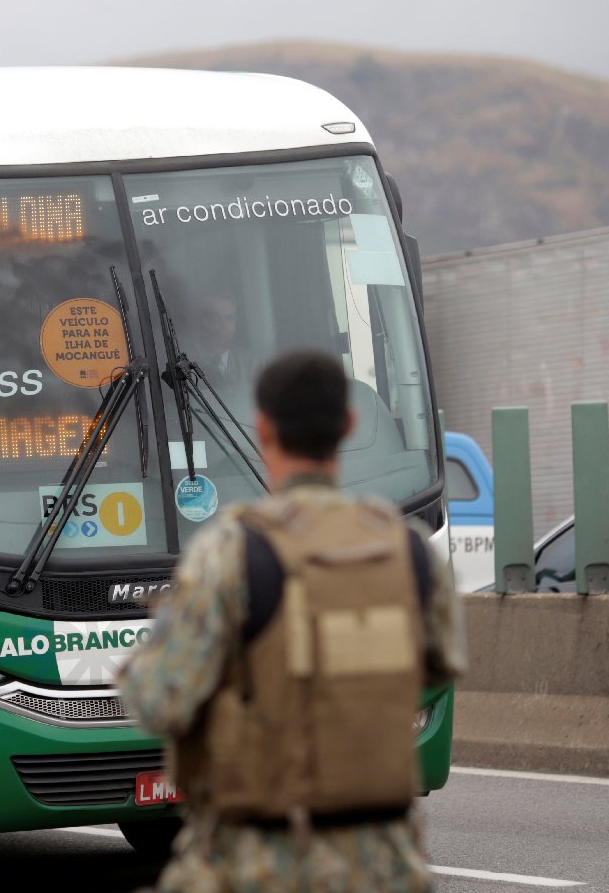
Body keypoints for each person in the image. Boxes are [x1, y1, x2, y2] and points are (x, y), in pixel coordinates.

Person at [118, 349, 465, 892]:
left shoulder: (230, 554)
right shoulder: (411, 553)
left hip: (258, 862)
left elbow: (157, 698)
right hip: (383, 867)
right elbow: (437, 668)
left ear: (262, 430)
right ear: (348, 426)